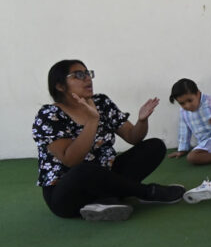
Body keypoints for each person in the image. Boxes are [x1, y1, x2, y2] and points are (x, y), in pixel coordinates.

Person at [33, 60, 184, 221]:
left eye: (88, 73)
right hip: (67, 193)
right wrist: (92, 121)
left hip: (105, 176)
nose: (87, 78)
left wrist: (141, 121)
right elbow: (71, 160)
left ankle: (104, 201)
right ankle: (148, 192)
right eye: (78, 75)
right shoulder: (49, 115)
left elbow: (133, 137)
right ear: (60, 86)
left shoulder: (101, 102)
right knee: (83, 170)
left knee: (155, 147)